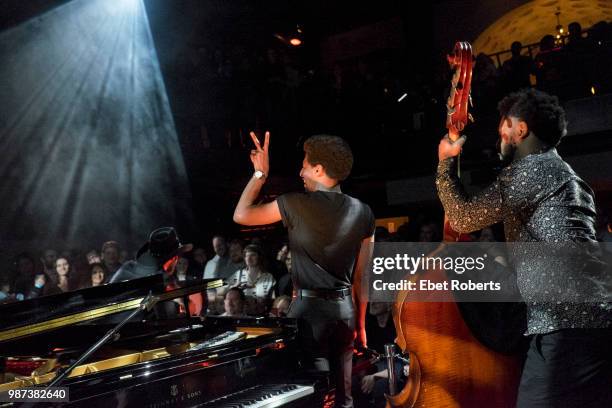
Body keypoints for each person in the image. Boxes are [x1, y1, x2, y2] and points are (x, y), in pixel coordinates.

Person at [436, 88, 612, 407]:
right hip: (594, 319)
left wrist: (445, 165)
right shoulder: (569, 177)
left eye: (504, 124)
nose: (499, 134)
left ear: (521, 128)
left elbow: (462, 218)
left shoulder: (531, 169)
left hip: (565, 323)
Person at [233, 132, 375, 407]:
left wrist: (260, 173)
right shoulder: (365, 212)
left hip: (309, 316)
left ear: (319, 169)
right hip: (344, 313)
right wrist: (360, 325)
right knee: (344, 399)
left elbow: (241, 214)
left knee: (310, 396)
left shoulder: (295, 204)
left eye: (305, 165)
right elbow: (362, 276)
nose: (301, 171)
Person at [225, 244, 275, 315]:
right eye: (246, 256)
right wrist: (234, 288)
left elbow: (273, 300)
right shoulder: (238, 274)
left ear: (259, 257)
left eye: (253, 255)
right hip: (242, 315)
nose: (249, 258)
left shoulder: (269, 277)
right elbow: (220, 290)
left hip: (261, 315)